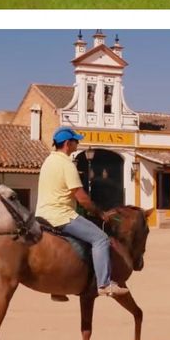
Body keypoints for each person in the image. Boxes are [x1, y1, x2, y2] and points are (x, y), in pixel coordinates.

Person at [36, 127, 127, 297]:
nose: (78, 143)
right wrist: (100, 213)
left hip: (41, 214)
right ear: (68, 144)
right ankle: (104, 283)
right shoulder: (66, 164)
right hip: (61, 215)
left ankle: (58, 288)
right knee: (100, 239)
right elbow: (82, 198)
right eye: (76, 141)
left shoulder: (48, 160)